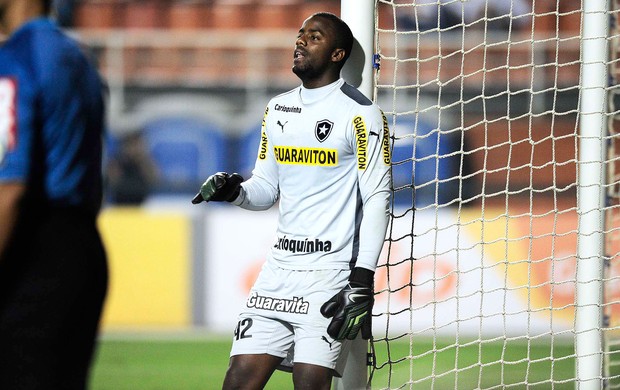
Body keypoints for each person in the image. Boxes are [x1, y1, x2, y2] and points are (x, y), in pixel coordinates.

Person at [193, 12, 392, 389]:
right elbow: (266, 188)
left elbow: (378, 197)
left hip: (329, 276)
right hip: (277, 274)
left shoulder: (361, 114)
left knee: (310, 385)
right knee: (237, 381)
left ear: (337, 54)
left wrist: (362, 280)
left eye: (313, 37)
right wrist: (234, 191)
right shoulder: (278, 108)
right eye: (300, 34)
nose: (299, 41)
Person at [0, 0, 108, 389]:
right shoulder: (80, 59)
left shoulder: (15, 57)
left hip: (33, 250)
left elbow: (10, 185)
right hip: (84, 250)